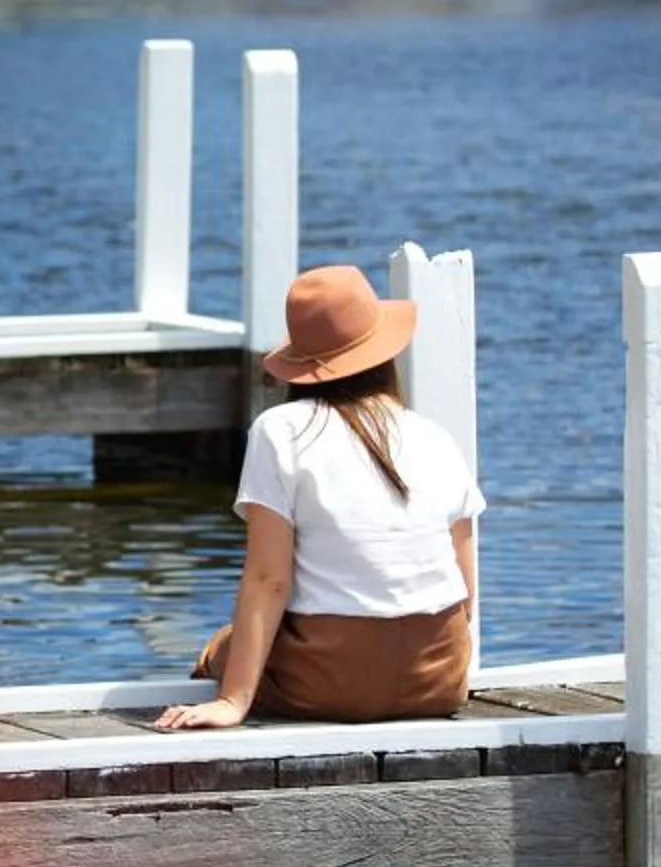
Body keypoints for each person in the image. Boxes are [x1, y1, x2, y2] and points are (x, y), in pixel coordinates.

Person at [154, 264, 483, 731]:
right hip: (439, 678)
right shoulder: (434, 437)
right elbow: (466, 589)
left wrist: (232, 700)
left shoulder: (280, 431)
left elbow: (269, 579)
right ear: (384, 352)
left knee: (220, 649)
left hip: (328, 683)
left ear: (301, 363)